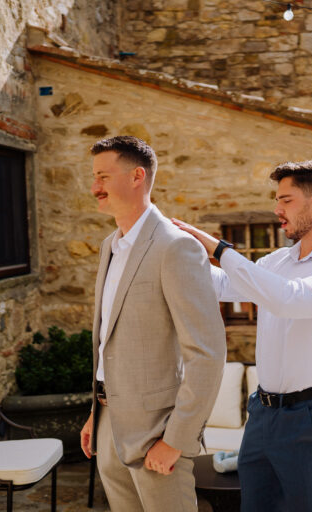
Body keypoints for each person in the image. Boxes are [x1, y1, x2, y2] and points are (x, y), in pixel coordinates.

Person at [173, 160, 312, 512]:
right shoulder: (276, 262)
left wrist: (220, 250)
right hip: (262, 412)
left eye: (286, 200)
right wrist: (181, 253)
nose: (277, 210)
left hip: (311, 415)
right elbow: (223, 286)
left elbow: (289, 298)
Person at [79, 136, 226, 512]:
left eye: (103, 176)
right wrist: (97, 416)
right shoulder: (109, 246)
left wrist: (176, 439)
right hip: (110, 423)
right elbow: (109, 343)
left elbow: (206, 353)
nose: (94, 187)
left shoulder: (175, 247)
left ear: (136, 177)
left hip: (157, 434)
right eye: (94, 177)